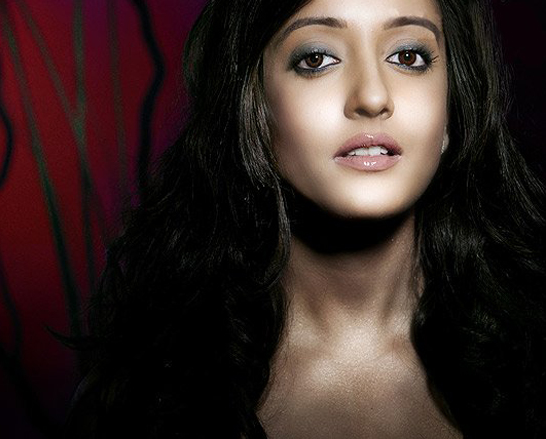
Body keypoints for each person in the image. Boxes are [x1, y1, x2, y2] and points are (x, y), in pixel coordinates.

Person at [65, 0, 546, 437]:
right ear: (254, 107)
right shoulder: (148, 397)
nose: (372, 96)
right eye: (316, 59)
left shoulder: (533, 354)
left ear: (451, 108)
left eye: (408, 56)